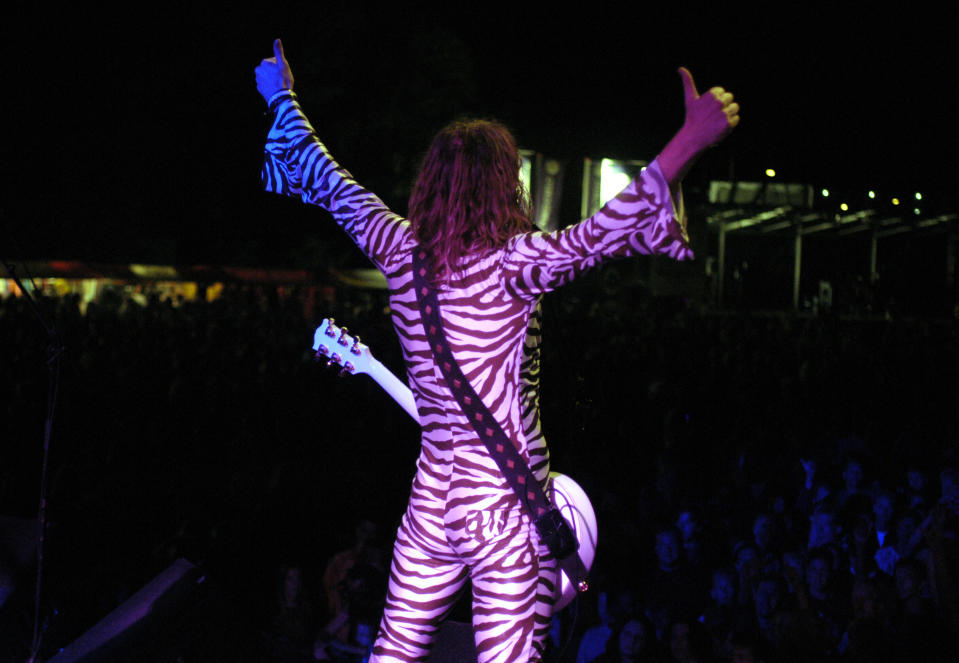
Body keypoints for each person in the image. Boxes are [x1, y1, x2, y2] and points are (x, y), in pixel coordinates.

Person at [255, 38, 739, 663]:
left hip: (433, 502)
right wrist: (687, 142)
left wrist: (281, 96)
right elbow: (602, 232)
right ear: (504, 185)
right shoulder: (513, 265)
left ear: (430, 183)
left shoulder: (398, 249)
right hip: (505, 509)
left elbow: (330, 181)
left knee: (394, 650)